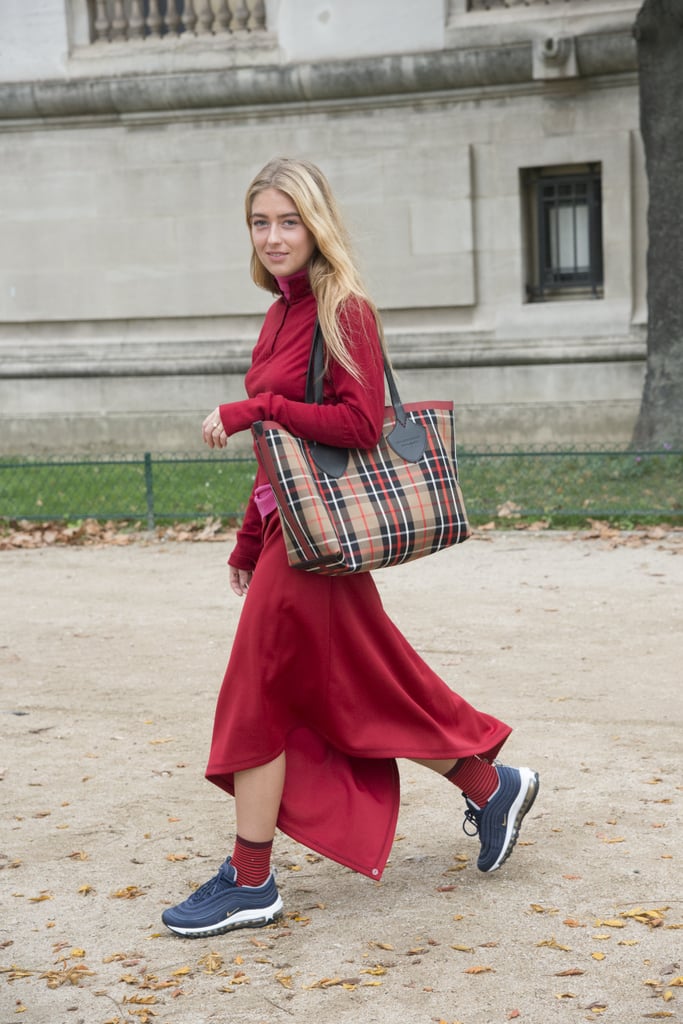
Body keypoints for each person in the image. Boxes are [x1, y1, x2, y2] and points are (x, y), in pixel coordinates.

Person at [161, 157, 539, 939]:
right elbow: (284, 451)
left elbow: (357, 426)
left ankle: (251, 879)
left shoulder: (344, 307)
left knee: (259, 696)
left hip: (319, 546)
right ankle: (486, 784)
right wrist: (245, 538)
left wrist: (250, 405)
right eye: (260, 222)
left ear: (317, 223)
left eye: (288, 220)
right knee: (360, 686)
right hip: (295, 538)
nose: (273, 237)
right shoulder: (278, 314)